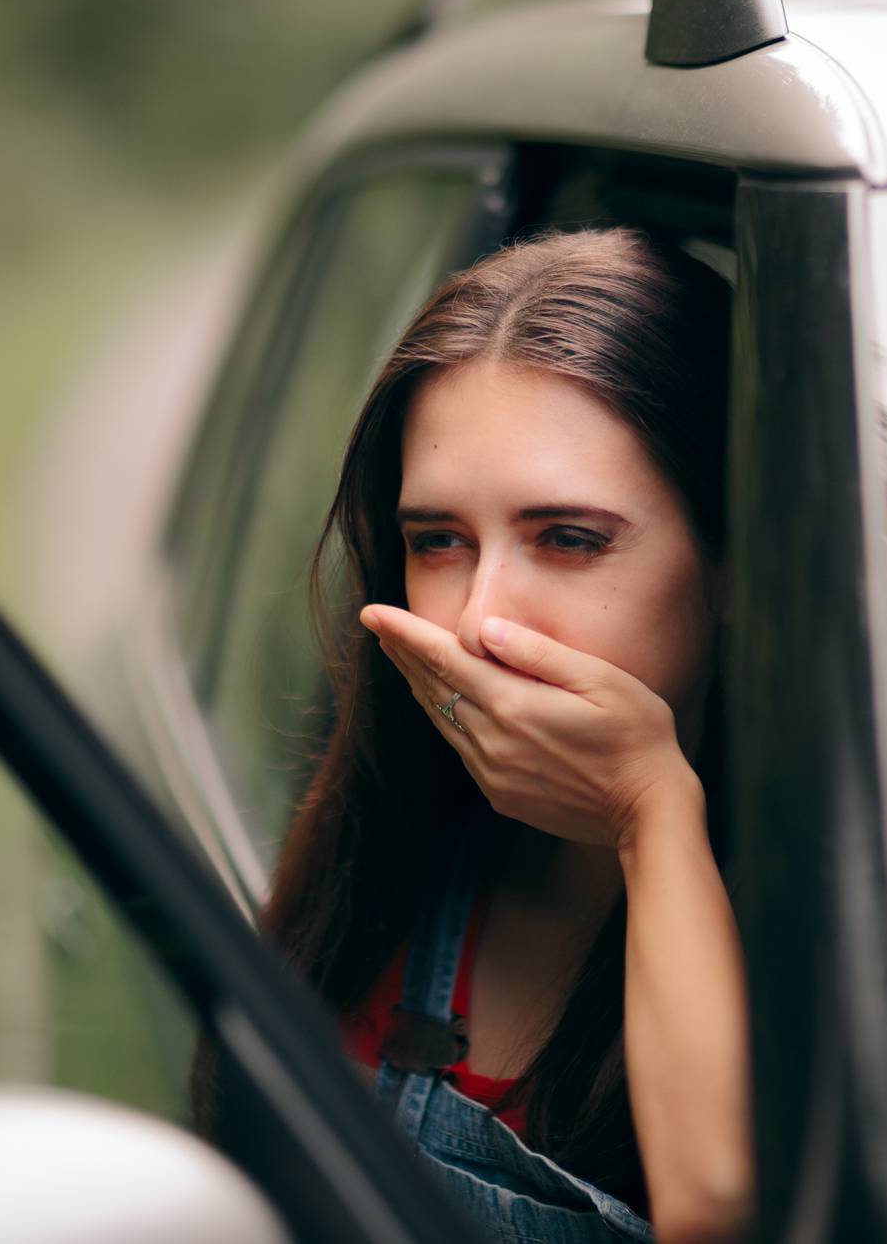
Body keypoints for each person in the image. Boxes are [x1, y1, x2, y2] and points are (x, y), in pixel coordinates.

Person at [191, 225, 751, 1244]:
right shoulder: (375, 871)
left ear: (731, 566)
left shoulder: (867, 930)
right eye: (437, 541)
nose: (479, 619)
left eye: (570, 539)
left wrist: (651, 814)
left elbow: (711, 1207)